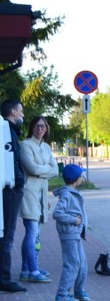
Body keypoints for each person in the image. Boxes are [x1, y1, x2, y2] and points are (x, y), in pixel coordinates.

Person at [19, 116, 59, 283]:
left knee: (35, 234)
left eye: (43, 126)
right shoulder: (25, 145)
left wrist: (41, 170)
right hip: (29, 193)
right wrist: (45, 169)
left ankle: (26, 269)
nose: (40, 129)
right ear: (31, 127)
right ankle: (34, 270)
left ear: (46, 129)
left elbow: (56, 170)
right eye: (37, 126)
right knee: (32, 232)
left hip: (42, 194)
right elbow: (32, 168)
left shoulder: (46, 147)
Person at [0, 99, 27, 294]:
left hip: (11, 188)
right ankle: (4, 278)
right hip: (10, 189)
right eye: (21, 112)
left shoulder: (8, 132)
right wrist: (18, 184)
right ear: (12, 113)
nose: (23, 116)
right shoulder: (6, 132)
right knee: (7, 234)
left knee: (5, 234)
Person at [52, 163, 90, 301]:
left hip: (75, 234)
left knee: (82, 263)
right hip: (69, 234)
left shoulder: (73, 192)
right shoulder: (67, 194)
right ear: (77, 179)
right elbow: (57, 214)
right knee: (72, 263)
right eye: (81, 176)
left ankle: (79, 290)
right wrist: (74, 220)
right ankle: (62, 293)